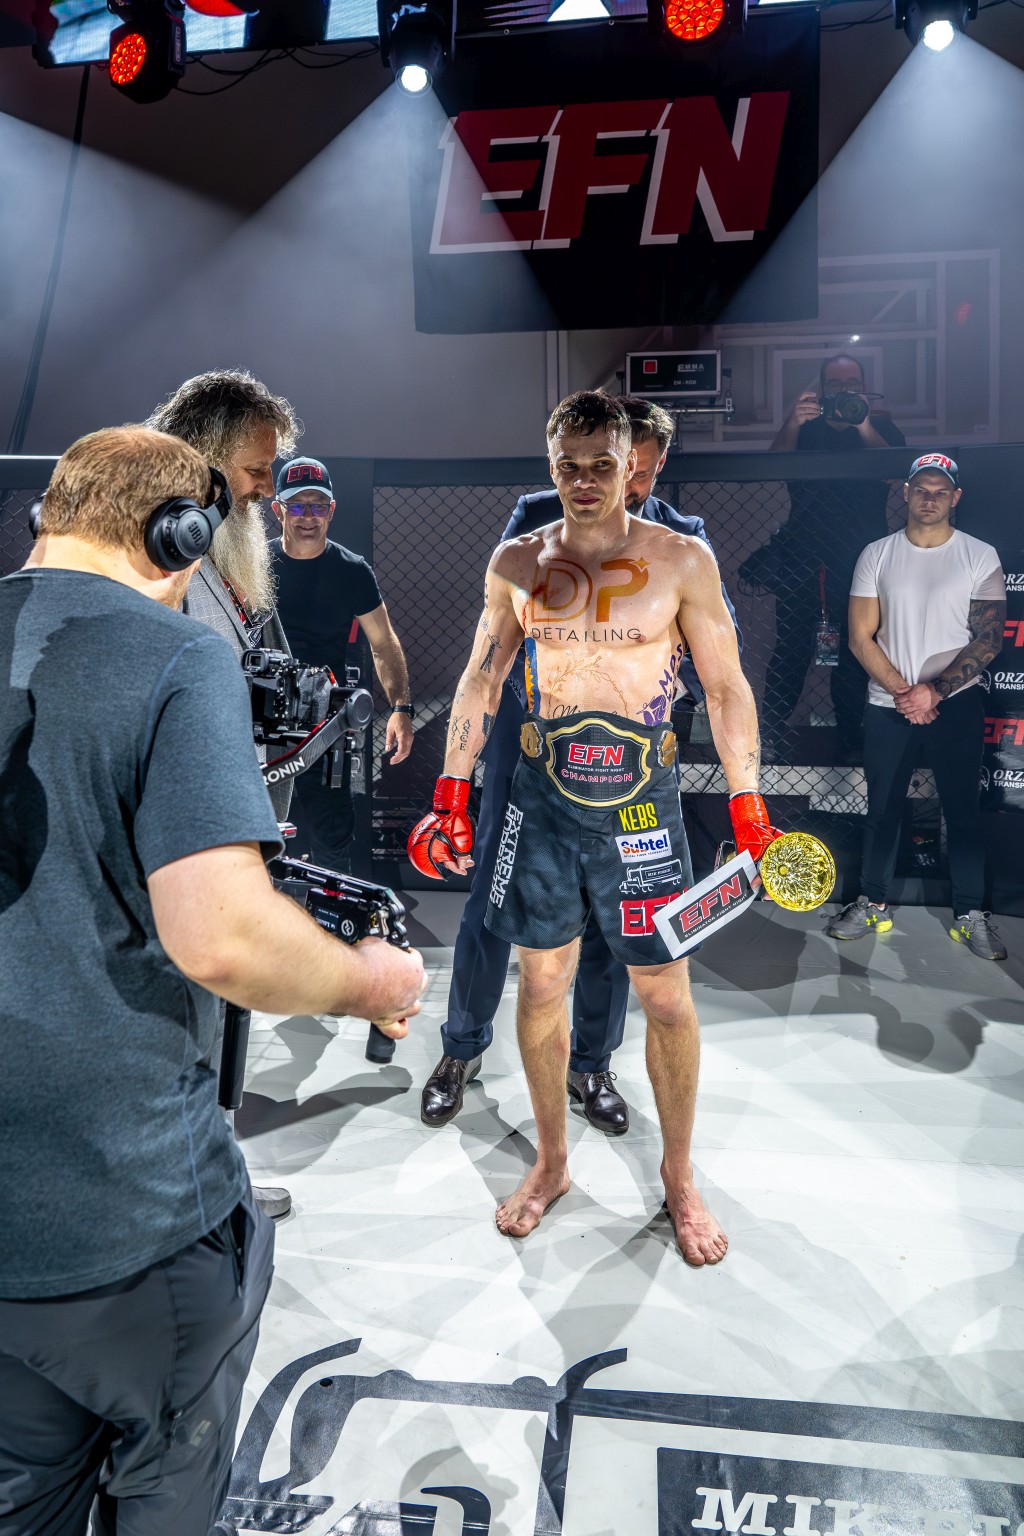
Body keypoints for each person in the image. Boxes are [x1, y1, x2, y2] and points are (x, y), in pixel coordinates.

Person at [0, 426, 424, 1536]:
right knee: (165, 1480)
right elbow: (224, 940)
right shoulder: (177, 655)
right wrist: (368, 980)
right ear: (181, 535)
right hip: (122, 1218)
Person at [410, 392, 778, 1265]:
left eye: (601, 465)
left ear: (630, 464)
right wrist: (452, 787)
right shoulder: (517, 560)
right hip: (543, 799)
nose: (584, 481)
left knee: (666, 993)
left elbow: (726, 687)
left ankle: (679, 1177)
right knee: (541, 985)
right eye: (568, 466)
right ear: (551, 466)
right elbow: (481, 678)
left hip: (643, 803)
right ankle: (551, 1162)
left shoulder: (681, 559)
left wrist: (748, 803)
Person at [147, 368, 302, 1218]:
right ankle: (193, 1193)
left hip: (221, 806)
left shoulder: (212, 555)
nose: (266, 489)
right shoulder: (160, 553)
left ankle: (214, 1177)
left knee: (219, 1009)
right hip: (183, 827)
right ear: (204, 462)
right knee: (188, 1005)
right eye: (254, 469)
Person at [827, 453, 1007, 959]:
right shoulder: (877, 554)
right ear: (905, 493)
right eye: (921, 489)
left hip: (956, 704)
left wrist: (935, 692)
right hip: (888, 704)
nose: (931, 498)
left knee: (962, 811)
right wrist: (905, 693)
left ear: (956, 497)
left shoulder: (979, 555)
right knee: (882, 810)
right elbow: (860, 636)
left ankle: (970, 913)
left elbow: (989, 638)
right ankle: (872, 902)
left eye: (940, 491)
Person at [270, 455, 414, 873]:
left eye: (318, 505)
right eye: (298, 505)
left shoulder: (352, 570)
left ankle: (329, 910)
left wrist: (402, 708)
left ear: (331, 510)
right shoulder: (253, 565)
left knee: (332, 836)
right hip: (259, 720)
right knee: (254, 832)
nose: (308, 516)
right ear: (278, 509)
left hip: (323, 722)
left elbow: (384, 643)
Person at [764, 353, 906, 762]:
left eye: (852, 383)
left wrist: (863, 422)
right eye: (836, 383)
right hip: (803, 554)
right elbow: (772, 466)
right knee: (791, 646)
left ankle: (850, 739)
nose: (844, 390)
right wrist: (793, 421)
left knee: (857, 649)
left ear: (864, 386)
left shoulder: (880, 427)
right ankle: (768, 736)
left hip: (862, 557)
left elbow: (894, 470)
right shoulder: (806, 429)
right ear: (823, 388)